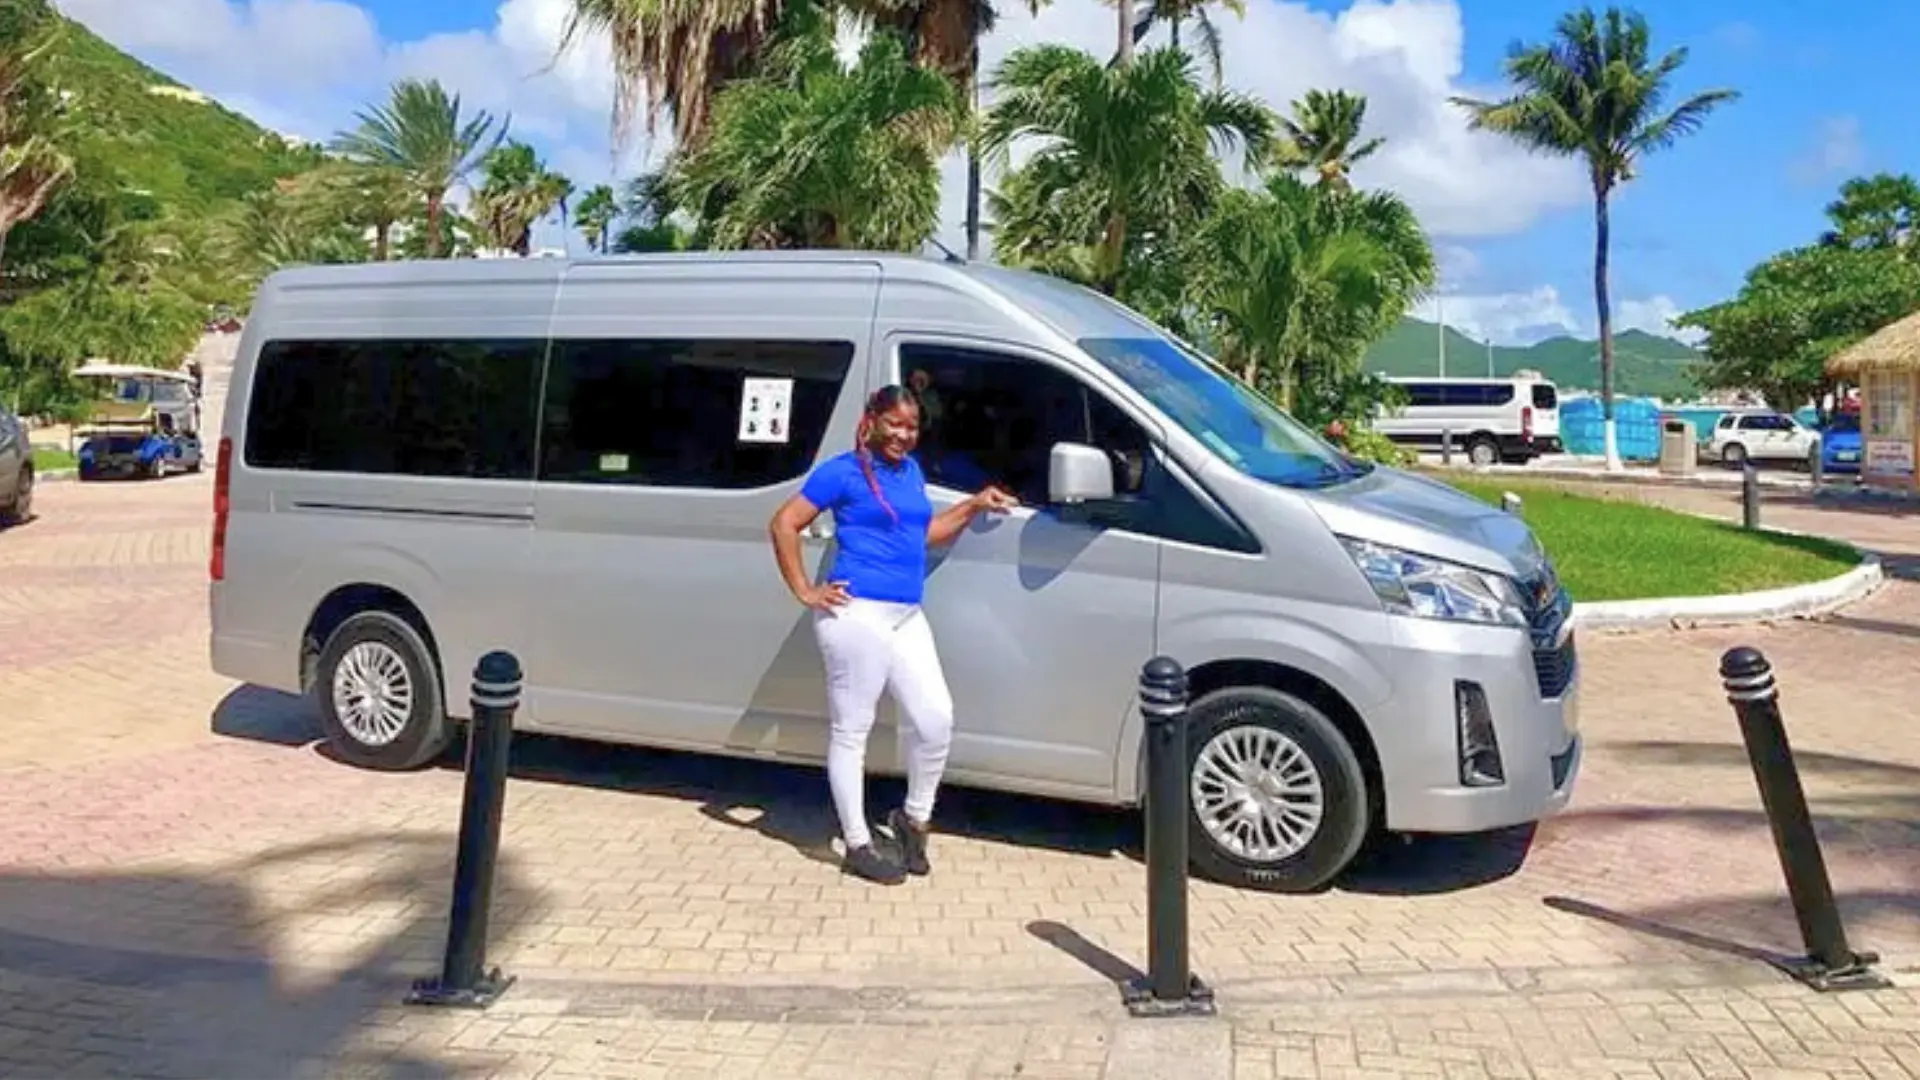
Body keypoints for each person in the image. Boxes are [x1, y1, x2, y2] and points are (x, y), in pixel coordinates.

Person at [768, 384, 1019, 884]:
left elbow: (920, 535)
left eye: (912, 427)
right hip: (855, 614)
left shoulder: (910, 473)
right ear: (872, 419)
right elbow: (784, 524)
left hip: (906, 614)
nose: (904, 435)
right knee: (851, 730)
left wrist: (972, 506)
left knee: (935, 719)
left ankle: (912, 820)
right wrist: (805, 590)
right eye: (895, 424)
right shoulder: (842, 471)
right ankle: (857, 843)